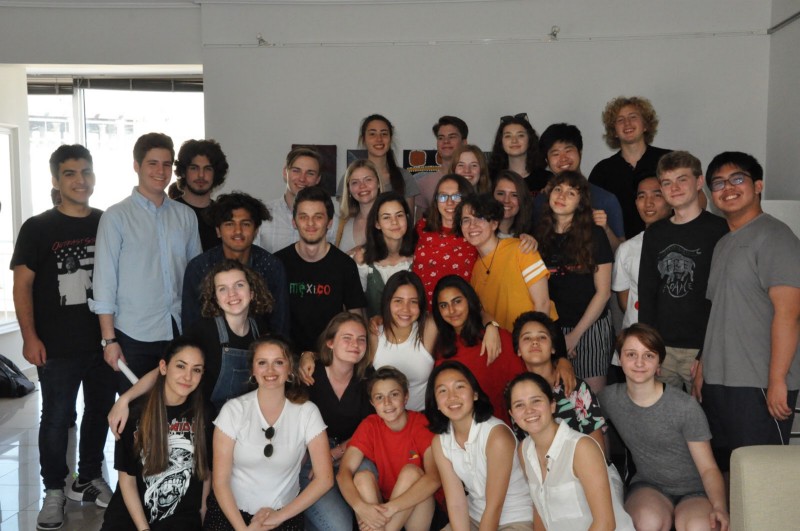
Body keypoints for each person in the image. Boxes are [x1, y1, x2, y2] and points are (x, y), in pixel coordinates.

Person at [11, 144, 116, 529]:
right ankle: (54, 489)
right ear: (56, 180)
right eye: (70, 173)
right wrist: (29, 337)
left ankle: (87, 478)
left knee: (99, 413)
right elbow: (22, 286)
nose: (80, 180)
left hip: (103, 341)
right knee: (56, 418)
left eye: (86, 171)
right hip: (56, 346)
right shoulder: (38, 228)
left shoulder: (107, 222)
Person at [696, 151, 800, 471]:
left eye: (737, 179)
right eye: (718, 183)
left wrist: (777, 380)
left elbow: (789, 313)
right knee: (729, 473)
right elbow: (719, 312)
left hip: (758, 384)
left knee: (761, 476)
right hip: (719, 381)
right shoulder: (723, 243)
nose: (727, 188)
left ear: (758, 185)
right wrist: (703, 366)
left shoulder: (775, 236)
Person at [108, 260, 274, 438]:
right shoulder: (204, 331)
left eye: (239, 285)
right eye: (222, 289)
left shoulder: (259, 329)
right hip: (207, 427)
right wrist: (124, 399)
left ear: (252, 292)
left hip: (245, 425)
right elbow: (164, 371)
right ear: (216, 299)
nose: (232, 294)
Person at [90, 132, 202, 392]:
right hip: (132, 335)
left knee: (176, 406)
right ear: (136, 166)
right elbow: (104, 282)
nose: (160, 171)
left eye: (166, 164)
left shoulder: (186, 216)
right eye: (153, 163)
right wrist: (109, 341)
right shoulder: (116, 217)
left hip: (177, 330)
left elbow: (196, 277)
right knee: (137, 410)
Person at [599, 324, 729, 531]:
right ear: (619, 359)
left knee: (700, 527)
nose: (639, 362)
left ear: (659, 363)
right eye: (631, 354)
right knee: (647, 522)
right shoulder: (609, 398)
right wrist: (563, 364)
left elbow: (708, 468)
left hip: (694, 490)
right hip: (649, 486)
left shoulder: (685, 406)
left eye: (649, 355)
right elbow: (580, 417)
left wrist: (720, 507)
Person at [205, 335, 333, 531]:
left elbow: (325, 479)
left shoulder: (307, 412)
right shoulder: (233, 411)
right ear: (252, 370)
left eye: (279, 362)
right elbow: (220, 482)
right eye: (262, 363)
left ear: (290, 369)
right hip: (230, 515)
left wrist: (278, 517)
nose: (270, 370)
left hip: (285, 516)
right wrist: (243, 530)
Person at [638, 151, 728, 392]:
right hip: (662, 347)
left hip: (703, 347)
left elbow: (723, 298)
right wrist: (649, 348)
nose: (674, 188)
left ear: (699, 182)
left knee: (705, 412)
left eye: (682, 179)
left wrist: (706, 352)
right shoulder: (654, 233)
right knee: (661, 412)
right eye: (667, 183)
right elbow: (647, 292)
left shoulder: (720, 230)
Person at [100, 338, 210, 531]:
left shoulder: (205, 413)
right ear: (163, 367)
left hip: (181, 518)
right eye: (181, 366)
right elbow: (127, 481)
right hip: (131, 516)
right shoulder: (133, 414)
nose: (188, 376)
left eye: (196, 370)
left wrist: (202, 513)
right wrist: (144, 529)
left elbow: (206, 470)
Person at [506, 372, 633, 531]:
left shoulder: (581, 448)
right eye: (519, 405)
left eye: (536, 401)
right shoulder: (524, 450)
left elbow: (605, 524)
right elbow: (540, 510)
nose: (529, 410)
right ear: (512, 414)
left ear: (552, 405)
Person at [426, 361, 533, 530]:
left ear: (475, 394)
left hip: (516, 518)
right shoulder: (440, 442)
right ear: (437, 403)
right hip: (474, 516)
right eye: (442, 391)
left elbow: (494, 507)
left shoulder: (496, 436)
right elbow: (456, 503)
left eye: (459, 387)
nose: (452, 396)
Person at [537, 171, 614, 393]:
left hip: (591, 325)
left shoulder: (595, 235)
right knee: (557, 395)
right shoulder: (539, 235)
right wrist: (557, 337)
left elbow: (603, 293)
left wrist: (574, 336)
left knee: (592, 398)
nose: (562, 196)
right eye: (558, 189)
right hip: (553, 327)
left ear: (581, 202)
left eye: (571, 193)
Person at [337, 367, 440, 531]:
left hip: (417, 505)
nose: (387, 403)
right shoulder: (370, 425)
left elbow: (434, 478)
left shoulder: (421, 424)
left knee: (411, 472)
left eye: (394, 394)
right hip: (385, 510)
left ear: (406, 397)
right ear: (372, 403)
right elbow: (344, 473)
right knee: (362, 477)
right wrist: (361, 508)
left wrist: (392, 508)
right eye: (379, 397)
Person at [301, 312, 375, 531]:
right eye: (347, 338)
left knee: (369, 512)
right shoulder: (309, 374)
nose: (355, 344)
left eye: (361, 339)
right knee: (339, 527)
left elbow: (371, 428)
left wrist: (335, 452)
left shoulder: (368, 378)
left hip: (354, 453)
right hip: (312, 458)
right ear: (330, 342)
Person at [181, 191, 289, 335]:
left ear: (256, 230)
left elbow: (280, 325)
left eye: (245, 224)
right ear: (218, 231)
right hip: (209, 346)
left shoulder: (271, 266)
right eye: (229, 224)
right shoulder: (199, 267)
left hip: (261, 346)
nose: (238, 231)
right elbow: (191, 326)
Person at [274, 186, 367, 354]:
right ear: (294, 222)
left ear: (329, 222)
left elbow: (356, 319)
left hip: (331, 357)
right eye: (303, 217)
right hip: (286, 358)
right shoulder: (278, 263)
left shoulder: (345, 265)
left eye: (318, 217)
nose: (310, 223)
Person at [431, 275, 528, 424]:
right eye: (444, 305)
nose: (451, 310)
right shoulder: (440, 347)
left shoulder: (499, 337)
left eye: (457, 301)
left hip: (505, 427)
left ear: (469, 300)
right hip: (462, 429)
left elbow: (524, 386)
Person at [455, 193, 556, 330]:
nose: (472, 225)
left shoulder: (522, 249)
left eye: (480, 217)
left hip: (539, 335)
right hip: (507, 341)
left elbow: (542, 303)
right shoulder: (475, 269)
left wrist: (533, 338)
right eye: (466, 220)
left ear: (494, 223)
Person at [511, 311, 606, 452]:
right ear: (518, 350)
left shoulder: (574, 387)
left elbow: (597, 448)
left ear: (553, 348)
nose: (535, 342)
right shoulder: (517, 394)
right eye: (527, 338)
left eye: (542, 337)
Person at [589, 96, 671, 239]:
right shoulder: (602, 171)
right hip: (619, 248)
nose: (627, 123)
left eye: (633, 117)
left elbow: (696, 199)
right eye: (620, 120)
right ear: (614, 131)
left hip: (670, 241)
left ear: (645, 125)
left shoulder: (669, 160)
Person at [538, 122, 625, 250]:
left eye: (568, 150)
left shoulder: (605, 199)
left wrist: (606, 229)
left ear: (580, 152)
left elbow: (621, 251)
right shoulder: (541, 200)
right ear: (547, 161)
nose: (563, 158)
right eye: (555, 154)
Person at [611, 176, 672, 332]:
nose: (648, 203)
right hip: (637, 334)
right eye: (642, 196)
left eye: (657, 195)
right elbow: (625, 302)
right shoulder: (626, 249)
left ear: (670, 200)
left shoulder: (685, 244)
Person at [413, 174, 477, 310]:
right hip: (422, 312)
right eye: (443, 197)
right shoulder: (421, 227)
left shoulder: (475, 232)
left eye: (456, 196)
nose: (449, 203)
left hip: (460, 313)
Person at [257, 146, 336, 253]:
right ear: (285, 172)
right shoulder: (261, 214)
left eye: (310, 173)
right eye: (296, 171)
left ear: (318, 179)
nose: (302, 178)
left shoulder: (332, 220)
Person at [338, 114, 419, 212]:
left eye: (384, 134)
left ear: (390, 139)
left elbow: (408, 218)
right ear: (363, 139)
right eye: (372, 134)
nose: (379, 139)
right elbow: (346, 216)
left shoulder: (404, 177)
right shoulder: (350, 177)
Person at [355, 191, 416, 317]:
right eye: (386, 217)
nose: (394, 222)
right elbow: (357, 307)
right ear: (377, 224)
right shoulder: (363, 259)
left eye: (399, 215)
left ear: (407, 217)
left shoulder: (419, 256)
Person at [173, 139, 229, 251]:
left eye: (207, 169)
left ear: (216, 174)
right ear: (183, 172)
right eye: (194, 168)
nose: (201, 175)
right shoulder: (171, 213)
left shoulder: (223, 215)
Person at [414, 116, 469, 213]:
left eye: (452, 137)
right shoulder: (423, 182)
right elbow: (419, 220)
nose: (446, 141)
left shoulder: (473, 177)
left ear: (464, 143)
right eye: (441, 138)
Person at [487, 113, 550, 195]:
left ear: (530, 140)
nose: (514, 140)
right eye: (508, 136)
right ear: (501, 142)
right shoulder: (490, 177)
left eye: (520, 135)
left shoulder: (547, 179)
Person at [335, 159, 383, 256]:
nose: (362, 186)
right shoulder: (342, 224)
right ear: (349, 189)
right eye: (355, 182)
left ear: (378, 183)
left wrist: (362, 249)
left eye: (368, 179)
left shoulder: (392, 220)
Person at [492, 170, 533, 238]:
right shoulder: (479, 233)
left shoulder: (531, 237)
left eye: (514, 195)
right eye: (501, 193)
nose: (506, 200)